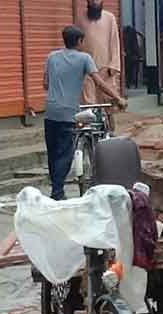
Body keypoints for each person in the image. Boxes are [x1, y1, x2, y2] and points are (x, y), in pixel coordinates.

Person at [41, 26, 125, 199]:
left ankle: (56, 188)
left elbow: (45, 84)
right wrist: (118, 98)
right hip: (68, 113)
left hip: (50, 112)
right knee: (66, 152)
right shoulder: (84, 58)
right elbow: (99, 83)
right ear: (79, 41)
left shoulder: (51, 57)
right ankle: (57, 191)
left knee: (53, 151)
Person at [77, 0, 122, 105]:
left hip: (106, 70)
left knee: (109, 104)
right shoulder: (80, 19)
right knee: (88, 105)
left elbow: (115, 43)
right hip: (87, 72)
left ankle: (109, 122)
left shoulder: (110, 18)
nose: (94, 2)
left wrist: (113, 66)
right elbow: (77, 46)